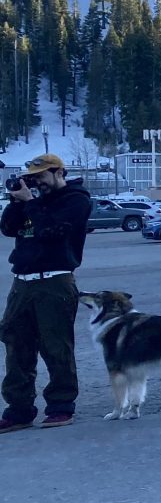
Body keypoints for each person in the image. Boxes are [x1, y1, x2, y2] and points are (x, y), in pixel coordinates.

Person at [0, 153, 92, 432]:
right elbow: (7, 229)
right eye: (32, 177)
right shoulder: (32, 201)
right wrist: (18, 201)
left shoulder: (76, 200)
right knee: (16, 345)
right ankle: (19, 409)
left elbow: (53, 231)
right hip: (22, 281)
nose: (37, 182)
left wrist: (31, 203)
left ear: (59, 172)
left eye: (41, 176)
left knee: (56, 345)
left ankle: (61, 406)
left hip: (55, 280)